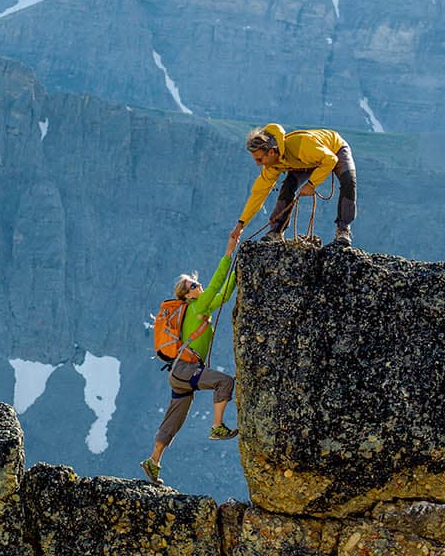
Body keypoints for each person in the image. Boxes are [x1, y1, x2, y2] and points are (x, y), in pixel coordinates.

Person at [140, 235, 240, 487]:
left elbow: (225, 293)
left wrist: (239, 273)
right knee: (225, 383)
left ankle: (153, 461)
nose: (199, 285)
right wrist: (229, 254)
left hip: (179, 374)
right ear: (189, 295)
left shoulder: (198, 309)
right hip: (187, 370)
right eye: (194, 284)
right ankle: (217, 426)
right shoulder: (198, 305)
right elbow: (219, 283)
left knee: (174, 419)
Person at [228, 123, 357, 247]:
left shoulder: (301, 145)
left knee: (348, 181)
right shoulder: (272, 166)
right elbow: (258, 195)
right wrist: (240, 225)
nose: (258, 164)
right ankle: (276, 232)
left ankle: (343, 230)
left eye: (260, 159)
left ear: (271, 152)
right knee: (288, 187)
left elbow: (331, 160)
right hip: (304, 162)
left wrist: (311, 184)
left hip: (334, 149)